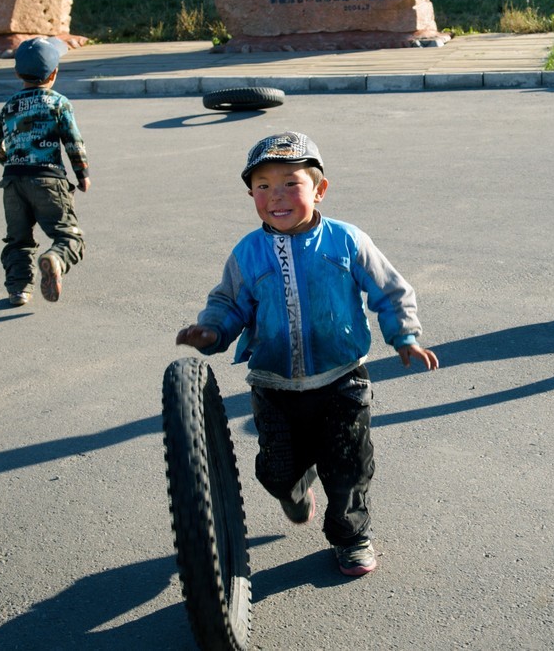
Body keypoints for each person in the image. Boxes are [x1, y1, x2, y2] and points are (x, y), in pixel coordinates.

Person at [176, 131, 438, 576]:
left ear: (319, 189)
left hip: (342, 379)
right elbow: (228, 304)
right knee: (276, 473)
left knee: (349, 468)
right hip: (273, 386)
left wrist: (404, 336)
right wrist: (211, 331)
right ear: (250, 193)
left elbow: (390, 290)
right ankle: (296, 486)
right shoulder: (248, 253)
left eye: (289, 183)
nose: (276, 196)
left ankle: (351, 536)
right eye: (263, 186)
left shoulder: (346, 241)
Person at [0, 37, 90, 306]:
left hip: (12, 182)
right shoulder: (57, 103)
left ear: (17, 73)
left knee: (18, 239)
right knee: (68, 236)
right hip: (47, 179)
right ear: (54, 73)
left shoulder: (8, 106)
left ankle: (19, 289)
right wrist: (82, 174)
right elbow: (72, 141)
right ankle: (55, 259)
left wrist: (12, 165)